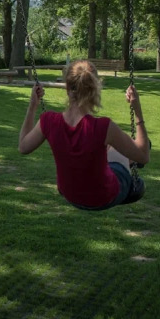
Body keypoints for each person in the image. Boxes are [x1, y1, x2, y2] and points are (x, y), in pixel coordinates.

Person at [18, 60, 150, 210]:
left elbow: (23, 147)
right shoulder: (104, 127)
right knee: (129, 150)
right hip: (104, 197)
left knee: (111, 148)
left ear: (67, 88)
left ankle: (131, 156)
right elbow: (144, 156)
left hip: (70, 194)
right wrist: (137, 111)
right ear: (95, 89)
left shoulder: (48, 121)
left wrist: (32, 107)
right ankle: (133, 158)